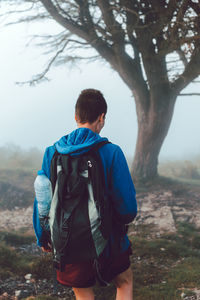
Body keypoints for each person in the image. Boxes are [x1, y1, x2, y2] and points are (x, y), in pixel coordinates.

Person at [33, 89, 137, 300]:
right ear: (102, 118)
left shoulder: (52, 152)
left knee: (83, 294)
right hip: (109, 240)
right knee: (124, 282)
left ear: (76, 117)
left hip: (67, 242)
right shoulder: (112, 152)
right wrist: (122, 224)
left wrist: (43, 237)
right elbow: (126, 208)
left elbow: (42, 199)